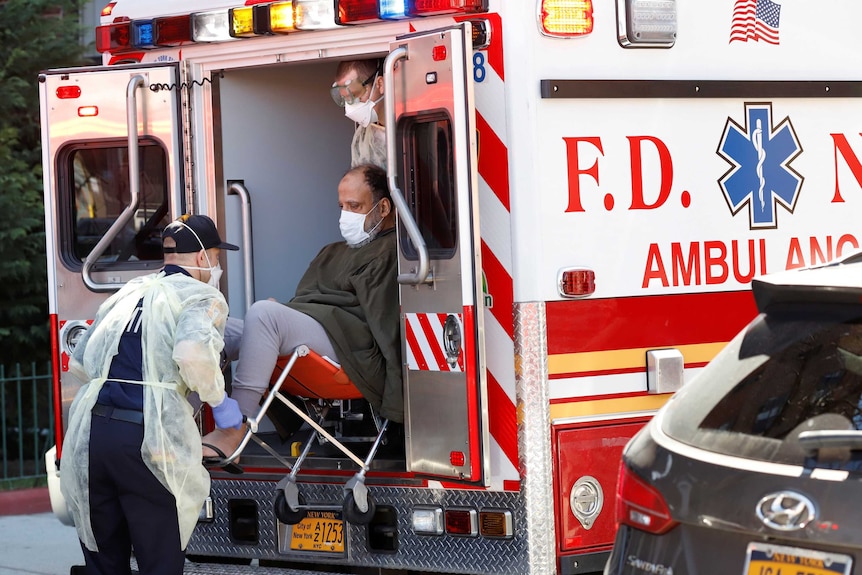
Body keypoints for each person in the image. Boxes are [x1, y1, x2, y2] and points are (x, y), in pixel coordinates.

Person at [60, 214, 243, 575]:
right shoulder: (201, 296)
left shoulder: (130, 291)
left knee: (104, 562)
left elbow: (80, 361)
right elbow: (193, 354)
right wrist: (220, 403)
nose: (217, 265)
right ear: (203, 256)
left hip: (91, 438)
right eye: (218, 257)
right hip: (146, 442)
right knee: (159, 559)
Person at [201, 163, 401, 459]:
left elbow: (386, 325)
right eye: (342, 206)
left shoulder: (394, 251)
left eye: (355, 206)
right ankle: (183, 426)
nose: (345, 215)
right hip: (322, 333)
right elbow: (308, 302)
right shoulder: (333, 250)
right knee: (215, 328)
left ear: (383, 208)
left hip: (354, 347)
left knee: (264, 315)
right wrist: (286, 313)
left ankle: (235, 429)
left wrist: (397, 393)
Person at [331, 58, 387, 170]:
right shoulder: (362, 136)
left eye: (355, 96)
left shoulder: (410, 128)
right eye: (346, 99)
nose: (351, 106)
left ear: (380, 84)